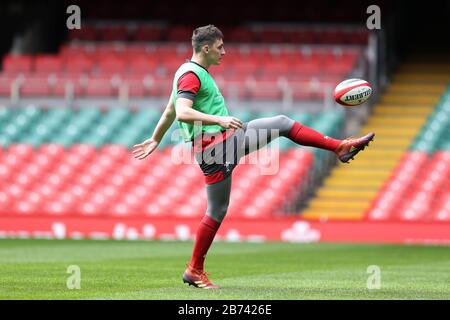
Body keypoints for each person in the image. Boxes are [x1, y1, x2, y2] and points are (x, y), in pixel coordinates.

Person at [132, 25, 375, 289]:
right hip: (216, 146)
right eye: (219, 46)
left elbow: (169, 110)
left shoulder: (187, 71)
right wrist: (220, 119)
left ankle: (194, 269)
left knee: (219, 206)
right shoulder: (191, 75)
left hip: (219, 144)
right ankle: (193, 270)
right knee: (220, 205)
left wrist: (156, 138)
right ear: (205, 48)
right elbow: (181, 112)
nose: (223, 51)